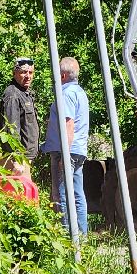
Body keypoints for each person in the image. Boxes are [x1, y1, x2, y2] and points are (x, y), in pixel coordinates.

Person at [41, 56, 89, 238]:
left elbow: (68, 124)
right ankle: (81, 237)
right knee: (77, 194)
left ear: (62, 75)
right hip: (78, 149)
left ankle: (68, 239)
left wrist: (65, 155)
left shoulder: (66, 94)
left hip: (67, 151)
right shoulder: (80, 92)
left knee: (62, 195)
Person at [0, 56, 39, 162]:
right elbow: (11, 130)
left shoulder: (26, 93)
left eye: (30, 73)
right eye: (23, 72)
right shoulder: (12, 94)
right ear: (14, 73)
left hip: (26, 157)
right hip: (18, 159)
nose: (28, 76)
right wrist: (16, 158)